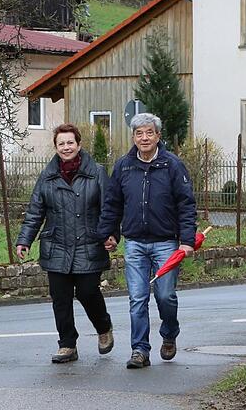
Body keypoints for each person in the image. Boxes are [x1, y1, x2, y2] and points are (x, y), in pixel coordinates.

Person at [98, 112, 197, 369]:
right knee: (137, 298)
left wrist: (186, 241)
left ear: (158, 136)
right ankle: (139, 350)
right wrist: (109, 233)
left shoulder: (172, 165)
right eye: (139, 133)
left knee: (165, 296)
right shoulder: (123, 166)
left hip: (165, 242)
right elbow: (112, 204)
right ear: (133, 137)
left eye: (149, 133)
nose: (144, 138)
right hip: (135, 243)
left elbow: (186, 205)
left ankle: (169, 333)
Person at [16, 123, 115, 364]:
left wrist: (111, 234)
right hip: (57, 244)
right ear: (56, 147)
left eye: (70, 142)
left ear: (79, 145)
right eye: (61, 143)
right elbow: (35, 211)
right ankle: (67, 344)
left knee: (87, 291)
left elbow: (109, 208)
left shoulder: (97, 172)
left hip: (89, 242)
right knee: (60, 297)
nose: (66, 147)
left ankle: (104, 327)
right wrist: (24, 239)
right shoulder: (47, 176)